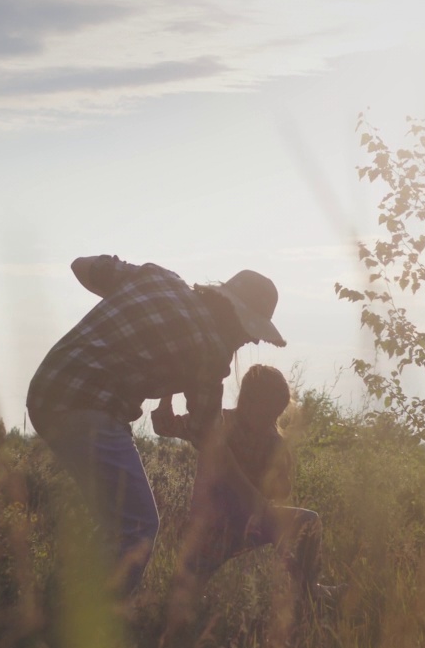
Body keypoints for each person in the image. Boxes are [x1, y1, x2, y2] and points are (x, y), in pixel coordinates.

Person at [26, 255, 286, 597]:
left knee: (112, 523)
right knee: (136, 527)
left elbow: (81, 266)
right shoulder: (211, 353)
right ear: (234, 317)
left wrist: (130, 321)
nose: (251, 341)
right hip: (89, 407)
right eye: (250, 331)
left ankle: (58, 608)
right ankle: (93, 628)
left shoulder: (158, 279)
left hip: (47, 389)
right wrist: (258, 505)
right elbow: (212, 448)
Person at [151, 364, 334, 610]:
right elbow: (164, 427)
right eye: (268, 412)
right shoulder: (218, 423)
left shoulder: (272, 439)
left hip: (254, 522)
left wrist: (279, 466)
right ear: (248, 402)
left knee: (307, 522)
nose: (272, 419)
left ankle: (309, 592)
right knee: (181, 602)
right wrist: (169, 391)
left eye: (276, 414)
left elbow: (281, 492)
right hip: (210, 530)